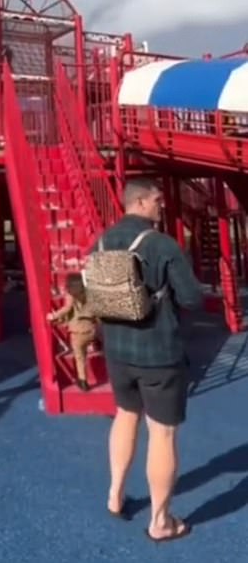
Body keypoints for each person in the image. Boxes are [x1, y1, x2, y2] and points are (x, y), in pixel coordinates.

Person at [92, 178, 203, 542]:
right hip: (158, 353)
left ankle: (115, 495)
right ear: (139, 202)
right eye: (157, 199)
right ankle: (160, 520)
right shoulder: (162, 245)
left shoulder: (102, 241)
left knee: (126, 416)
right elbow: (191, 299)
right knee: (163, 432)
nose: (162, 205)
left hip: (117, 350)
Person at [47, 272, 99, 391]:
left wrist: (53, 316)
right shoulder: (89, 293)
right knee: (88, 351)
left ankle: (83, 381)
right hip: (91, 328)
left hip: (77, 331)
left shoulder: (70, 295)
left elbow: (67, 308)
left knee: (80, 357)